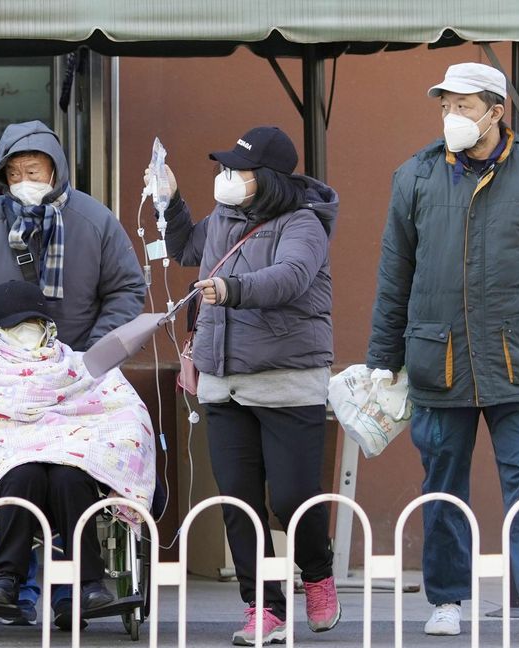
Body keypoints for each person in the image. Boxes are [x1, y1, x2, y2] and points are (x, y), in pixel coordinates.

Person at [366, 62, 519, 642]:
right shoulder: (415, 177)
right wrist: (381, 355)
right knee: (441, 479)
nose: (452, 117)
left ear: (497, 112)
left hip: (517, 356)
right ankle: (447, 598)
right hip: (436, 356)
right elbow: (394, 273)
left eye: (464, 107)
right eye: (445, 106)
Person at [0, 119, 146, 624]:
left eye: (36, 169)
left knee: (71, 475)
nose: (26, 178)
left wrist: (92, 355)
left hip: (76, 382)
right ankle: (12, 586)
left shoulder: (94, 221)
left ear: (57, 170)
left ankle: (79, 591)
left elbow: (126, 290)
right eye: (16, 171)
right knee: (15, 470)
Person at [153, 126, 341, 646]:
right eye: (224, 169)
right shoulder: (223, 219)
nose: (226, 177)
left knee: (292, 496)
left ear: (269, 179)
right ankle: (264, 607)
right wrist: (169, 201)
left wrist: (231, 290)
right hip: (223, 382)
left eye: (237, 170)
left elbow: (291, 277)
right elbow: (187, 248)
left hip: (287, 382)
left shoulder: (303, 223)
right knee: (238, 502)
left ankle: (317, 572)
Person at [0, 280, 156, 631]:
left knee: (70, 476)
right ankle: (8, 579)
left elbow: (117, 405)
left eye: (34, 325)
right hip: (6, 464)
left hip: (67, 457)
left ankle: (90, 583)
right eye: (17, 327)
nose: (27, 333)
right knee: (24, 473)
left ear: (47, 326)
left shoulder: (74, 363)